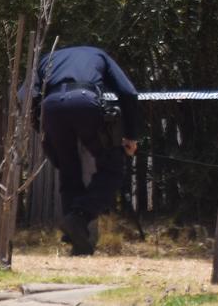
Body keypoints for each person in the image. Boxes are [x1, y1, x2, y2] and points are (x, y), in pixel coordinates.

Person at [24, 46, 139, 255]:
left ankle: (77, 241)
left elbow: (25, 94)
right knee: (112, 168)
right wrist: (131, 135)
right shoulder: (99, 54)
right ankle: (80, 216)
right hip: (86, 101)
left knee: (69, 170)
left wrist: (39, 126)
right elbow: (129, 92)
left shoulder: (45, 59)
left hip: (51, 107)